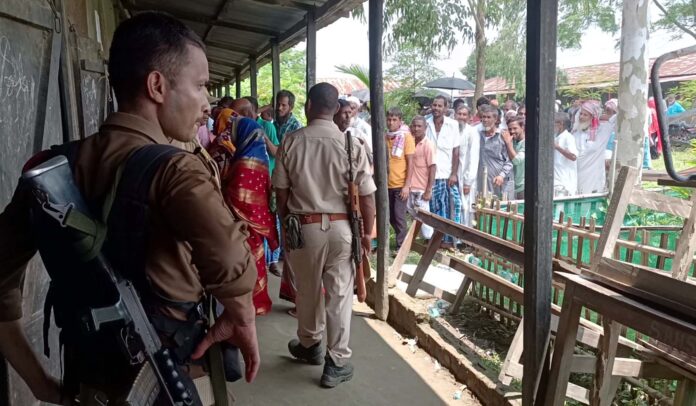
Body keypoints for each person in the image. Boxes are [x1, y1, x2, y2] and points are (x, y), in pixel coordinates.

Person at [0, 12, 259, 405]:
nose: (207, 103)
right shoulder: (177, 170)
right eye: (201, 85)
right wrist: (242, 315)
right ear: (157, 86)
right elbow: (228, 258)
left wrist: (37, 381)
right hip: (172, 385)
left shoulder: (51, 166)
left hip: (90, 387)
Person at [273, 83, 376, 388]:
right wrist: (366, 235)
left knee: (307, 289)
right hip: (343, 229)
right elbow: (368, 197)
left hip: (303, 227)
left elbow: (281, 193)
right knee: (340, 294)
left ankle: (310, 344)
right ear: (336, 109)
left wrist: (286, 225)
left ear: (308, 106)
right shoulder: (351, 144)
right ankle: (337, 362)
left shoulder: (291, 141)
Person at [208, 115, 277, 316]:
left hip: (244, 221)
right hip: (258, 219)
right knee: (257, 260)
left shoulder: (243, 163)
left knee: (246, 262)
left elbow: (237, 194)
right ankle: (258, 302)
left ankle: (248, 304)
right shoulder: (261, 158)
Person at [426, 95, 461, 249]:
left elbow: (456, 151)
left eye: (440, 106)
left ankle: (449, 239)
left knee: (450, 206)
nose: (436, 108)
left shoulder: (452, 125)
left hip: (446, 174)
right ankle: (435, 239)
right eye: (434, 105)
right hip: (430, 174)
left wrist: (454, 173)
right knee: (433, 207)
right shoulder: (426, 123)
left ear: (446, 108)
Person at [385, 107, 415, 250]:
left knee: (399, 216)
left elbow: (410, 162)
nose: (391, 122)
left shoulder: (406, 137)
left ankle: (402, 246)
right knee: (390, 216)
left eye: (394, 120)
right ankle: (401, 240)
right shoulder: (384, 136)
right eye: (389, 119)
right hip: (386, 184)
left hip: (400, 184)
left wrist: (406, 186)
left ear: (400, 121)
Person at [573, 100, 612, 194]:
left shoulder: (602, 132)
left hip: (593, 175)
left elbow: (615, 119)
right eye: (581, 114)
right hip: (577, 173)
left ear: (592, 117)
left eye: (585, 115)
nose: (581, 117)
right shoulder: (576, 133)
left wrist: (600, 115)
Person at [407, 116, 436, 239]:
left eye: (419, 126)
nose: (416, 129)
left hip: (422, 188)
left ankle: (429, 242)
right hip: (410, 187)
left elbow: (432, 167)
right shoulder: (409, 142)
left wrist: (429, 190)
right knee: (413, 216)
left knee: (424, 218)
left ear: (425, 127)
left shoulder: (428, 144)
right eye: (414, 126)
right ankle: (416, 241)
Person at [478, 105, 513, 198]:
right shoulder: (477, 135)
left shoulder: (503, 136)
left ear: (496, 119)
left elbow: (509, 161)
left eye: (488, 117)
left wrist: (501, 176)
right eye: (483, 117)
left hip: (499, 183)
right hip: (481, 183)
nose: (485, 120)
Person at [454, 105, 480, 227]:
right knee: (456, 206)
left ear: (469, 117)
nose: (461, 117)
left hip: (466, 178)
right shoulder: (452, 130)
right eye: (459, 114)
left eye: (464, 114)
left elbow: (473, 158)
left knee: (467, 208)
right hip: (454, 176)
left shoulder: (472, 132)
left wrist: (468, 182)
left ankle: (466, 234)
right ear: (455, 115)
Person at [553, 112, 578, 197]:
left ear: (561, 124)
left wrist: (558, 147)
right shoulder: (555, 136)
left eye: (554, 122)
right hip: (554, 180)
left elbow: (573, 157)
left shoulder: (568, 137)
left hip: (564, 183)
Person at [502, 117, 526, 199]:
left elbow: (516, 160)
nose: (512, 131)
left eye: (515, 128)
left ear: (522, 127)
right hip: (511, 186)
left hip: (523, 187)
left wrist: (508, 144)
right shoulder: (513, 141)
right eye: (510, 129)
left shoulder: (526, 142)